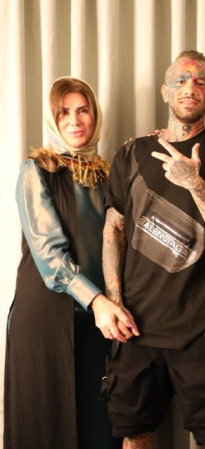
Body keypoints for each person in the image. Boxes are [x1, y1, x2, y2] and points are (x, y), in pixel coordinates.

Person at [102, 50, 205, 449]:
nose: (189, 88)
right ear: (165, 91)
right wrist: (114, 300)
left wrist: (194, 183)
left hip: (202, 326)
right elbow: (114, 230)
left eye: (200, 82)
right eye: (180, 80)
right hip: (136, 327)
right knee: (134, 435)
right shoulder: (131, 152)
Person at [4, 77, 132, 449]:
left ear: (95, 115)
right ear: (52, 118)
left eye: (83, 110)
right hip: (47, 318)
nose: (74, 120)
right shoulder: (37, 170)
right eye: (64, 112)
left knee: (100, 429)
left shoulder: (109, 174)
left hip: (100, 320)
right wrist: (98, 301)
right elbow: (49, 254)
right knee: (47, 427)